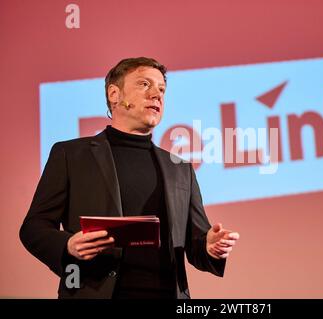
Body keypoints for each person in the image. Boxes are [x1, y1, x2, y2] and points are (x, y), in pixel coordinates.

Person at [19, 57, 239, 299]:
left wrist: (210, 246)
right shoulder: (71, 155)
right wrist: (68, 245)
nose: (157, 94)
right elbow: (34, 228)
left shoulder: (180, 168)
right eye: (145, 84)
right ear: (114, 94)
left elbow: (196, 242)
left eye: (162, 89)